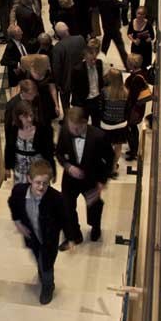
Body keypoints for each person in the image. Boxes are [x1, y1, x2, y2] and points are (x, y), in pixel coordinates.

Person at [8, 160, 68, 305]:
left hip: (49, 240)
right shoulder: (19, 191)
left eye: (45, 183)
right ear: (29, 179)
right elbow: (12, 203)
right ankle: (42, 271)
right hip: (32, 236)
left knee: (47, 265)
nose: (41, 187)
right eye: (38, 182)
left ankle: (48, 286)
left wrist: (70, 236)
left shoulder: (57, 198)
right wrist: (17, 221)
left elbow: (65, 219)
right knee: (37, 257)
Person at [56, 106, 114, 247]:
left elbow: (110, 158)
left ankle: (95, 228)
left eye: (76, 129)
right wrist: (69, 167)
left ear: (85, 123)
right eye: (71, 128)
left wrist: (102, 181)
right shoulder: (64, 132)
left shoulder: (99, 136)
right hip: (70, 179)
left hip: (92, 178)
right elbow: (58, 153)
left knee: (94, 206)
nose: (73, 131)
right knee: (67, 207)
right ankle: (74, 236)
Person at [4, 100, 55, 184]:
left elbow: (49, 151)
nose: (30, 119)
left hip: (39, 170)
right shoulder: (13, 130)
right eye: (25, 116)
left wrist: (52, 170)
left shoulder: (42, 129)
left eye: (31, 115)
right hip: (20, 171)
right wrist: (7, 167)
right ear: (19, 117)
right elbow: (9, 148)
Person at [51, 21, 86, 113]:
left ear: (57, 34)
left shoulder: (57, 48)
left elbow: (56, 68)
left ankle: (67, 118)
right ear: (68, 28)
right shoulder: (80, 39)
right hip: (80, 77)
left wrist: (57, 83)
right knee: (79, 100)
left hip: (66, 80)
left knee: (65, 102)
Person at [100, 68, 128, 177]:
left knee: (106, 147)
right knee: (118, 147)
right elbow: (127, 109)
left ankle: (107, 165)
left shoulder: (104, 91)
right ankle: (113, 167)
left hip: (106, 124)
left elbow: (101, 108)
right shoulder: (125, 92)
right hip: (121, 124)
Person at [70, 41, 104, 127]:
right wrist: (79, 106)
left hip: (96, 99)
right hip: (84, 102)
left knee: (97, 124)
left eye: (95, 58)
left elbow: (101, 82)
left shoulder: (99, 64)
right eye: (91, 59)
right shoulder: (77, 70)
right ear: (85, 56)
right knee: (82, 124)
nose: (94, 61)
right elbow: (74, 89)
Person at [124, 53, 151, 161]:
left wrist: (127, 109)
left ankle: (133, 150)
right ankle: (134, 148)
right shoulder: (142, 74)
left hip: (134, 109)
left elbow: (132, 97)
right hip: (139, 107)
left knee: (131, 128)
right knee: (133, 128)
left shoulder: (135, 78)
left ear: (131, 64)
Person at [97, 0, 128, 67]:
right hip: (113, 26)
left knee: (105, 45)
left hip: (105, 24)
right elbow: (124, 4)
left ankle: (100, 61)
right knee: (120, 46)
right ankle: (127, 65)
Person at [0, 24, 27, 91]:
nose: (22, 32)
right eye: (19, 32)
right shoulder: (10, 46)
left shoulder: (23, 40)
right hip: (17, 78)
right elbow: (3, 61)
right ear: (14, 36)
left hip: (26, 74)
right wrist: (18, 64)